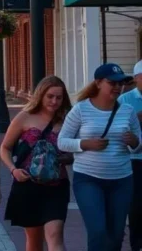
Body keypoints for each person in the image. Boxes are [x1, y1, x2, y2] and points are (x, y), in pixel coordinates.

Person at [58, 63, 142, 251]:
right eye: (112, 83)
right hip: (89, 179)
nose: (117, 87)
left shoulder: (127, 111)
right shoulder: (80, 109)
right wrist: (85, 144)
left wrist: (134, 141)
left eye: (121, 84)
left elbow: (138, 147)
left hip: (121, 180)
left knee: (116, 234)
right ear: (98, 83)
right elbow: (62, 141)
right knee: (98, 231)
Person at [0, 75, 71, 251]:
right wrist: (13, 170)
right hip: (28, 184)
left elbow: (76, 150)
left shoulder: (68, 120)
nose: (54, 101)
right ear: (41, 95)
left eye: (59, 97)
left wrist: (66, 158)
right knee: (34, 239)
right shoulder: (25, 117)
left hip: (56, 185)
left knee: (55, 234)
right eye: (50, 96)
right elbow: (5, 148)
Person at [122, 61, 142, 251]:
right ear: (136, 78)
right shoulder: (125, 100)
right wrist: (138, 117)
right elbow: (118, 126)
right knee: (136, 204)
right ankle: (137, 244)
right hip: (135, 160)